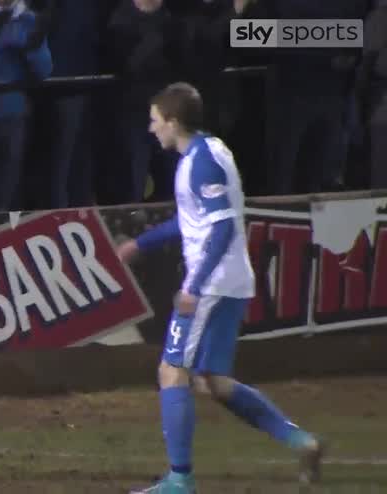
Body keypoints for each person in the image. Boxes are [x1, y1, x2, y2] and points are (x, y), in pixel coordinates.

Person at [116, 82, 324, 494]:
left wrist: (194, 286)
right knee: (215, 381)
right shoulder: (209, 151)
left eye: (155, 120)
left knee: (172, 370)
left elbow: (223, 227)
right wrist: (140, 245)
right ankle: (303, 442)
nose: (151, 128)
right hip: (230, 281)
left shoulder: (201, 163)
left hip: (212, 283)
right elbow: (192, 221)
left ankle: (180, 480)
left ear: (174, 121)